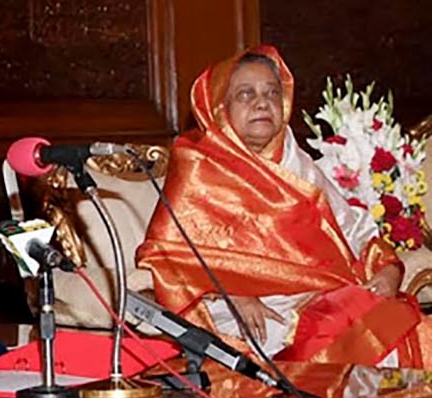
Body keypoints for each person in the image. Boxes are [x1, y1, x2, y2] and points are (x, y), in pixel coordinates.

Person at [137, 45, 432, 368]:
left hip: (321, 296)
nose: (262, 102)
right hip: (235, 308)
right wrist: (233, 295)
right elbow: (167, 256)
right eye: (246, 94)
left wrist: (388, 269)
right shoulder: (197, 166)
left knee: (403, 327)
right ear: (220, 107)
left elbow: (353, 228)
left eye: (272, 93)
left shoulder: (294, 159)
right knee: (327, 334)